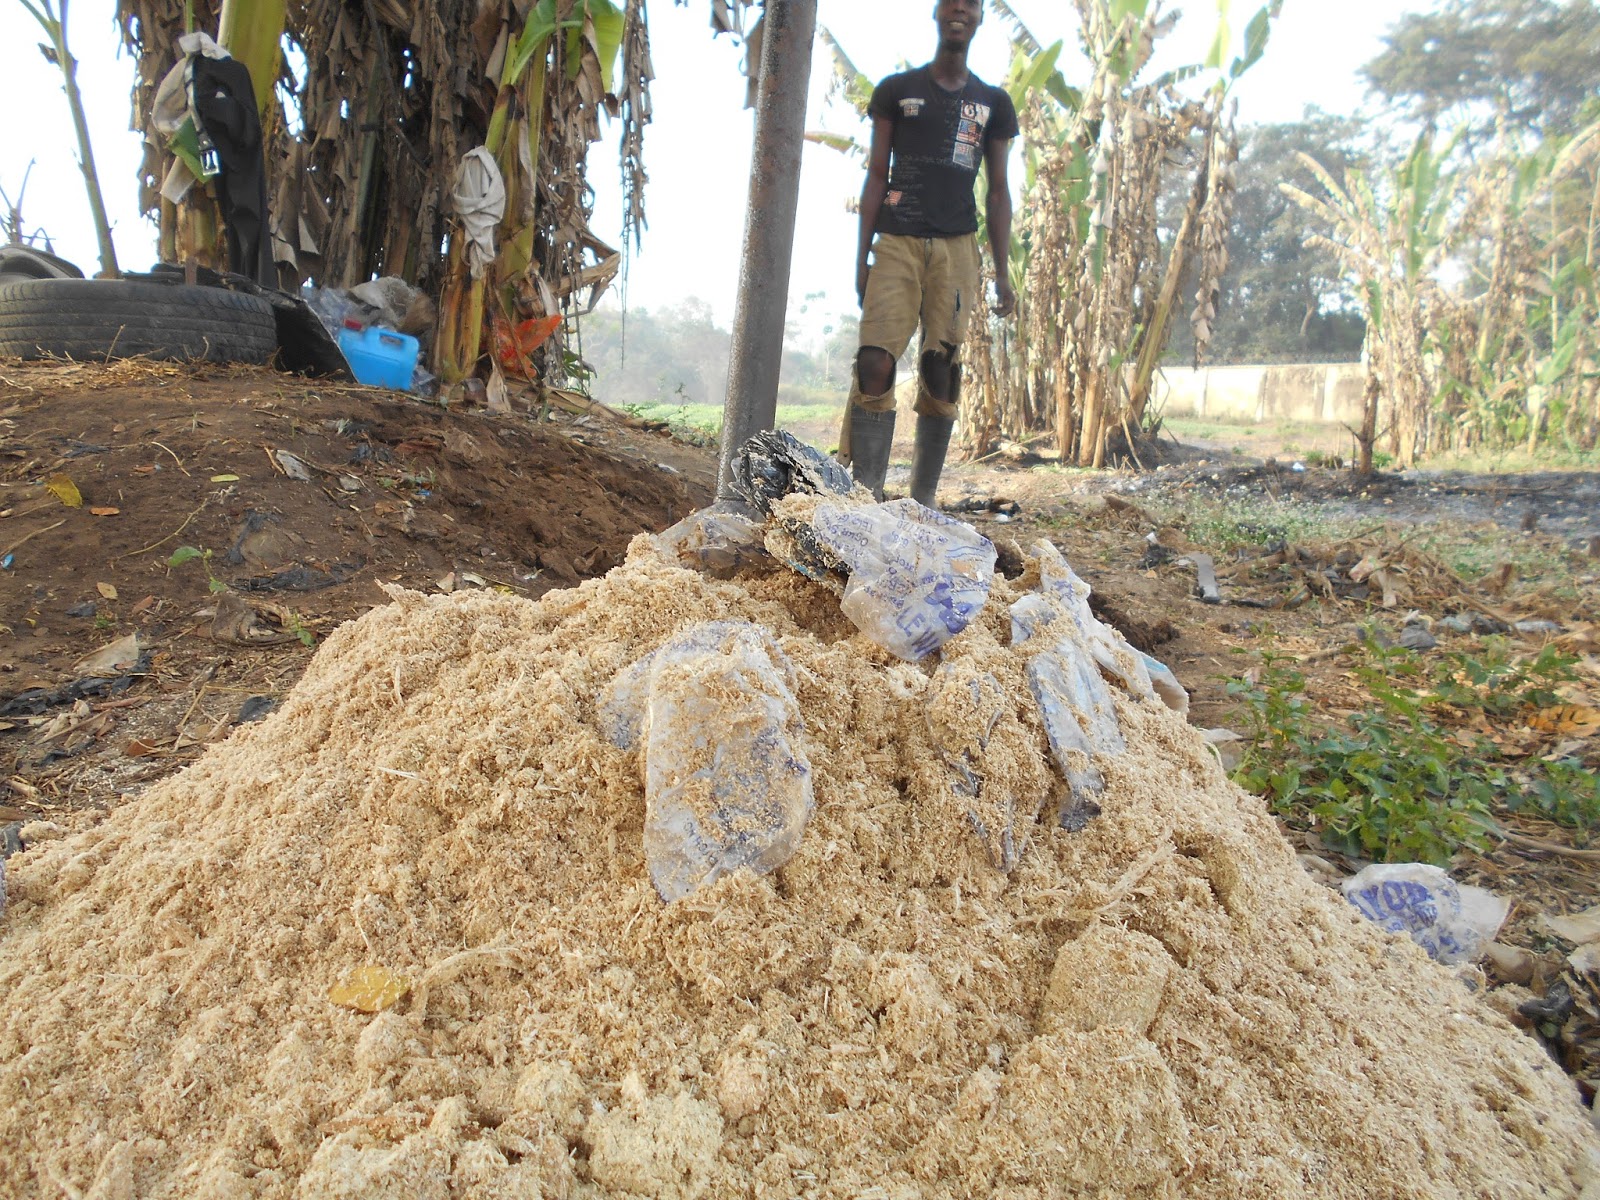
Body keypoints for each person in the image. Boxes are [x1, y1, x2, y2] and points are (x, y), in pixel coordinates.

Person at [841, 0, 1018, 508]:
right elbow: (876, 175)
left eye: (971, 4)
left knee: (942, 369)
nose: (960, 10)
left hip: (958, 247)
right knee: (875, 361)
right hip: (897, 239)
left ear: (980, 17)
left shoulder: (992, 103)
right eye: (951, 2)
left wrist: (1003, 274)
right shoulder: (897, 91)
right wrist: (861, 258)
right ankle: (867, 498)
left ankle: (921, 502)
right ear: (937, 14)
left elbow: (999, 192)